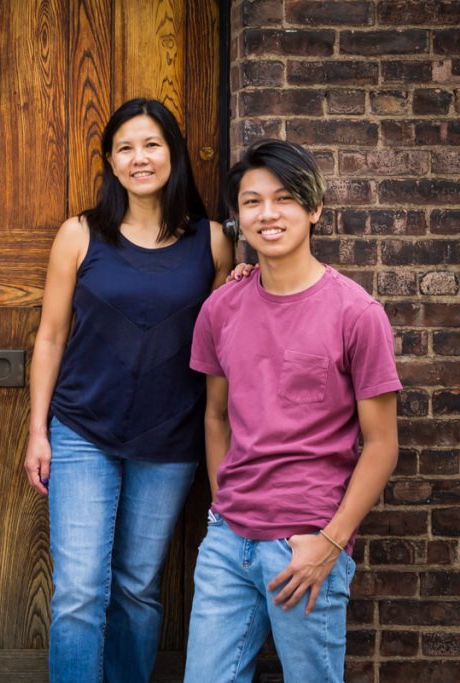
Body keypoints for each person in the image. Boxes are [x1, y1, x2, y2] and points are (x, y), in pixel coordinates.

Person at [24, 98, 235, 683]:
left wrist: (245, 275)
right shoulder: (79, 235)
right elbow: (50, 337)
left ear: (173, 154)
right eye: (125, 147)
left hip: (168, 440)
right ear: (110, 163)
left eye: (151, 144)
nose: (139, 158)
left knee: (138, 589)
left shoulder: (214, 243)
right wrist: (37, 431)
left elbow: (224, 341)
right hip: (82, 431)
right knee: (78, 594)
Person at [183, 139, 401, 682]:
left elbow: (381, 446)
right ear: (238, 217)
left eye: (283, 199)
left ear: (313, 208)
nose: (268, 214)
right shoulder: (221, 308)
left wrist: (329, 544)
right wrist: (222, 508)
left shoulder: (356, 313)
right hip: (229, 543)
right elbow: (216, 417)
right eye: (252, 202)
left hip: (306, 541)